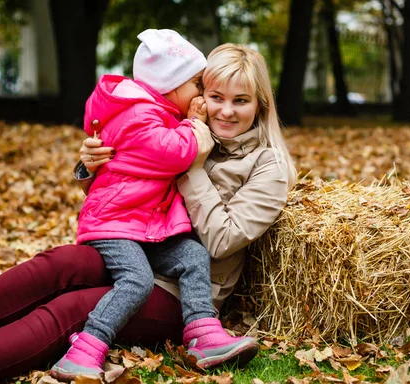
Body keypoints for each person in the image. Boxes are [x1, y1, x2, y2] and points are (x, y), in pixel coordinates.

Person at [0, 42, 296, 384]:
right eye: (216, 95)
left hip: (182, 288)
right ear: (201, 93)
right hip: (137, 244)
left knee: (71, 309)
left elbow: (222, 240)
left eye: (241, 101)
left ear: (260, 105)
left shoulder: (267, 165)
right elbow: (128, 182)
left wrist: (190, 166)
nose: (226, 111)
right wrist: (91, 166)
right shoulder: (183, 125)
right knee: (56, 264)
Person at [51, 28, 256, 381]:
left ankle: (203, 334)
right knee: (136, 280)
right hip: (115, 225)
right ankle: (85, 348)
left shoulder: (155, 112)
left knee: (192, 255)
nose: (201, 96)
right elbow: (178, 153)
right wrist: (194, 123)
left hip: (142, 225)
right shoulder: (141, 117)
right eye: (196, 84)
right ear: (171, 85)